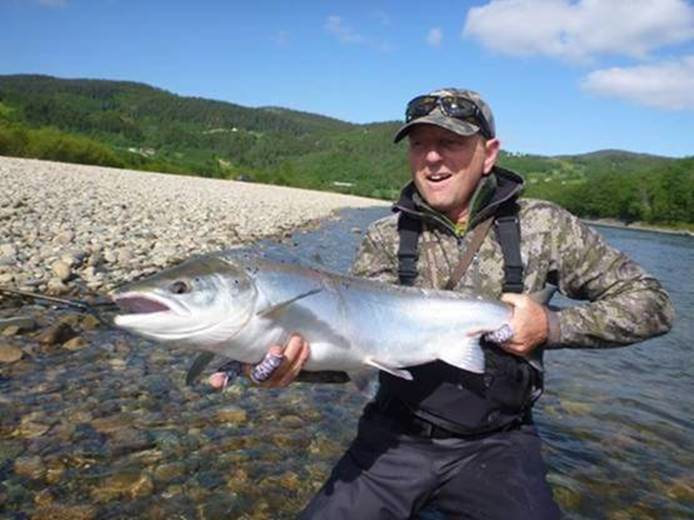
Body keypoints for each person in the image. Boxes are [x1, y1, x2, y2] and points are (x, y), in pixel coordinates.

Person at [215, 88, 675, 518]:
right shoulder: (383, 238)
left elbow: (652, 305)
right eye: (420, 144)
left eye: (450, 141)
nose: (432, 157)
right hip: (394, 437)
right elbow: (358, 354)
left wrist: (552, 328)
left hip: (499, 444)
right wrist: (291, 370)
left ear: (488, 154)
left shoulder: (546, 228)